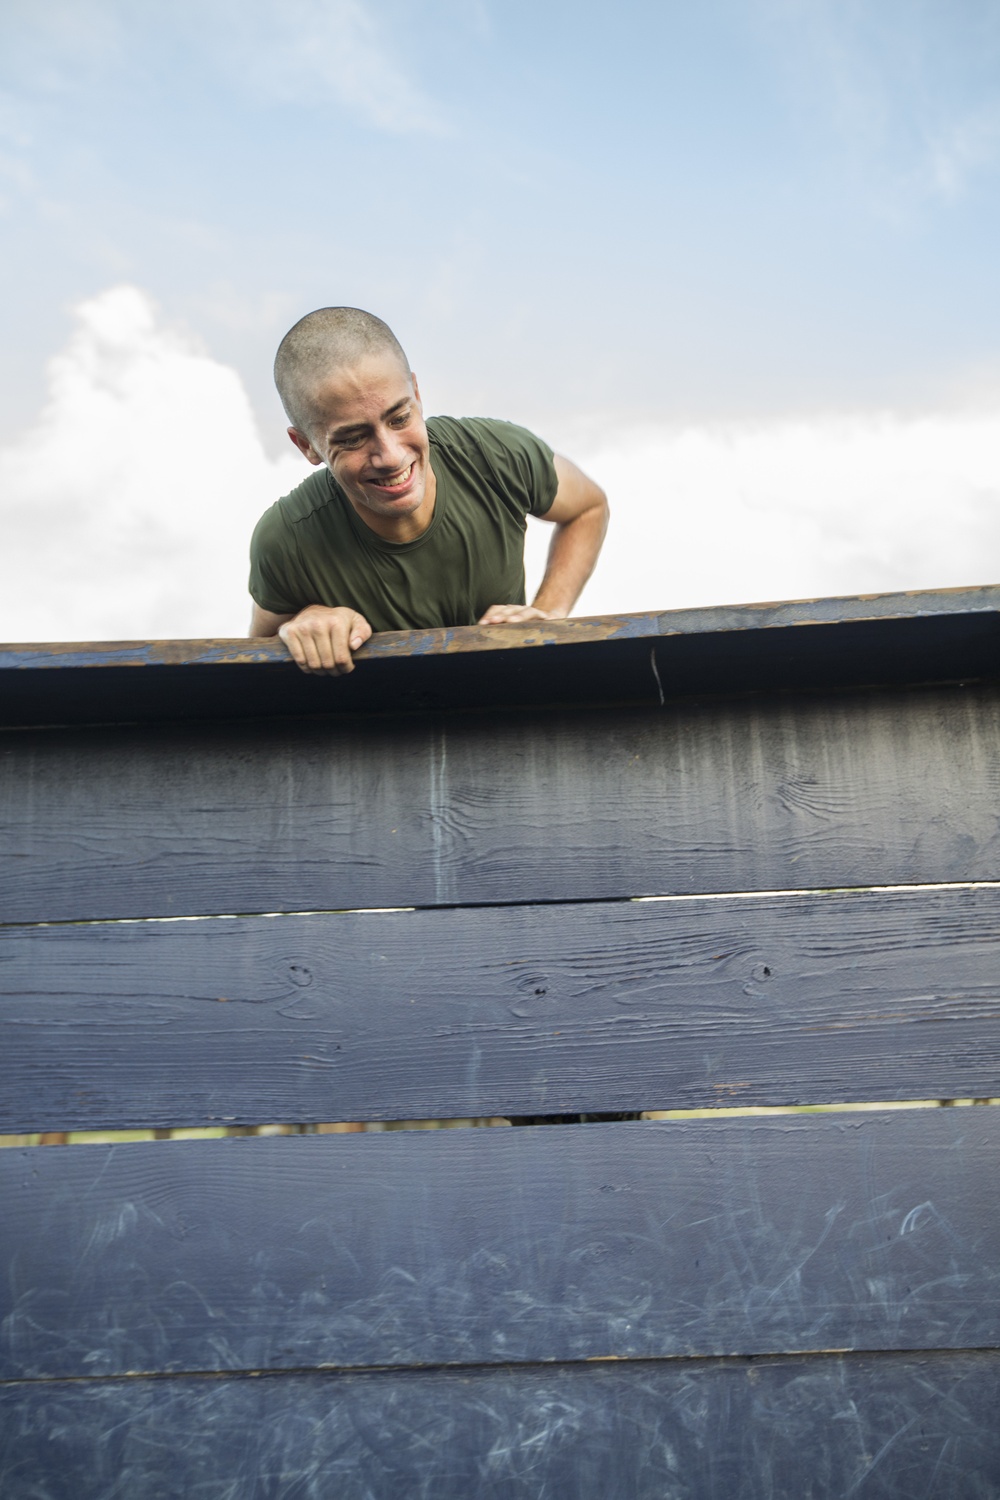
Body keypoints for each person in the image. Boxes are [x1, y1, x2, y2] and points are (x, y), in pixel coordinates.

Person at [248, 307, 608, 672]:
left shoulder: (495, 455)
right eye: (354, 438)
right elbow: (256, 650)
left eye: (400, 418)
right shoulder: (286, 539)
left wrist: (548, 614)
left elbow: (588, 507)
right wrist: (305, 620)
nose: (390, 456)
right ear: (306, 445)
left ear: (416, 393)